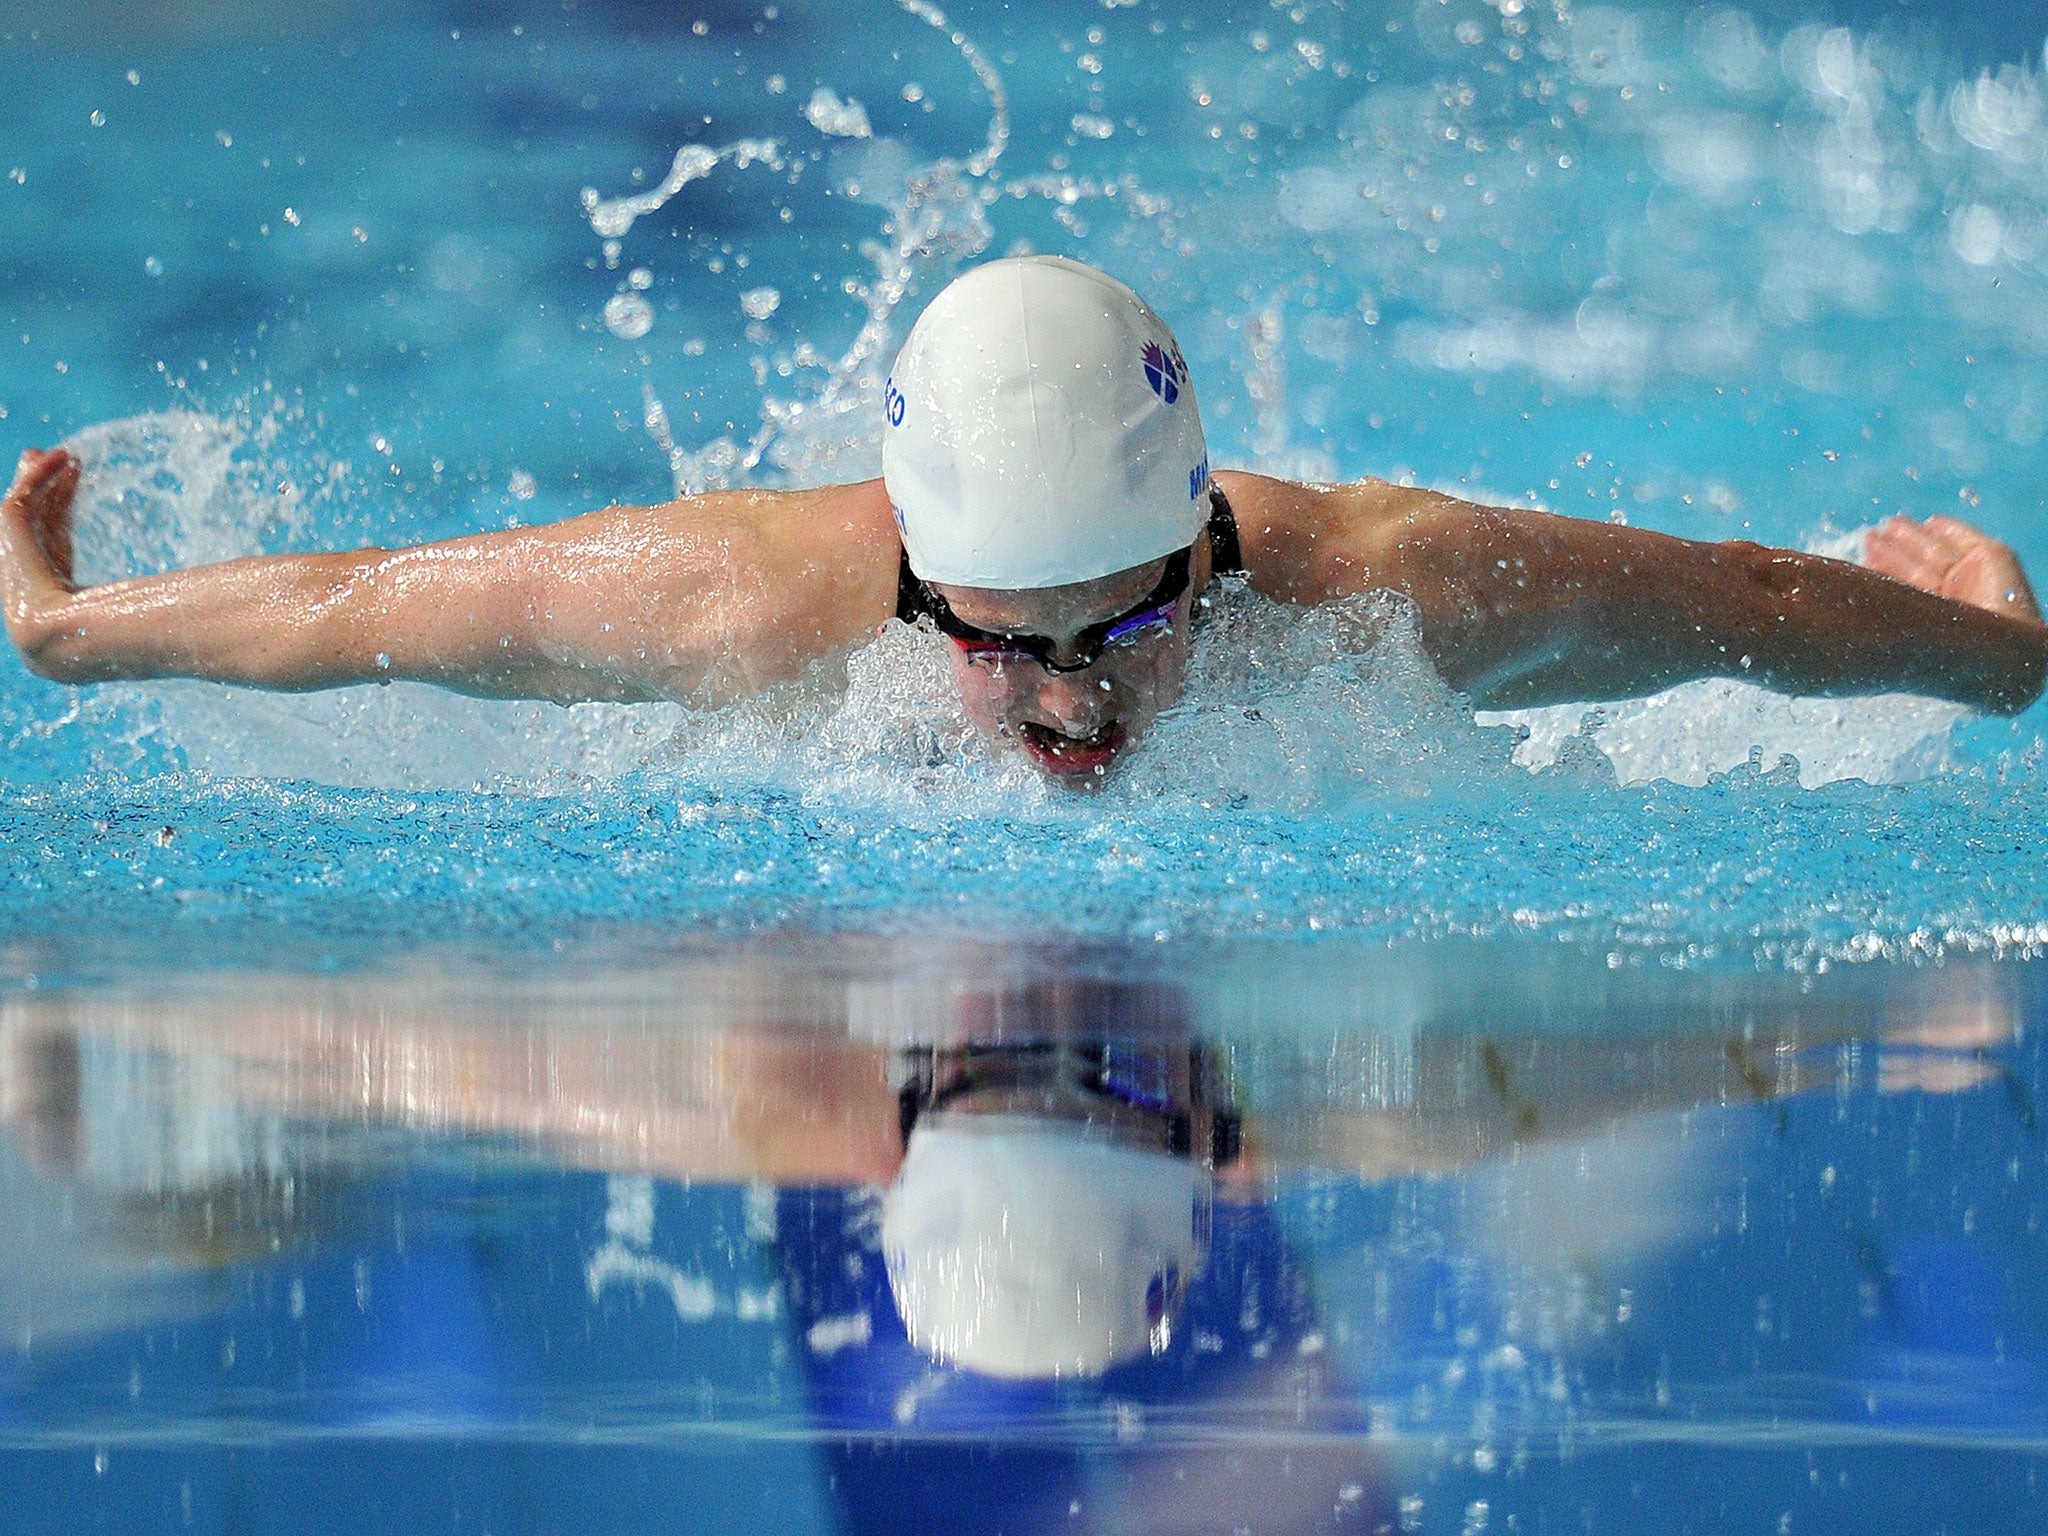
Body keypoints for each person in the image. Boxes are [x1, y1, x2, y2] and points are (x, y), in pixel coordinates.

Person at [2, 255, 2042, 783]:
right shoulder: (748, 602)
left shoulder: (1380, 594)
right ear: (906, 578)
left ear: (1208, 558)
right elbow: (361, 605)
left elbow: (1753, 608)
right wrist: (64, 633)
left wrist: (1997, 660)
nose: (1072, 716)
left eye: (1128, 630)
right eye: (997, 640)